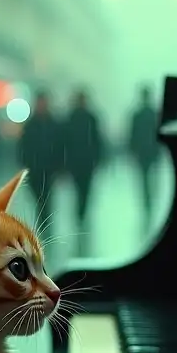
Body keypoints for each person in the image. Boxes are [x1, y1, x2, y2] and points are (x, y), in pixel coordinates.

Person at [62, 89, 104, 249]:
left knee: (85, 190)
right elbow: (64, 142)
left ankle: (81, 213)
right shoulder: (72, 118)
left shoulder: (90, 118)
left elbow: (97, 140)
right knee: (80, 189)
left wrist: (98, 158)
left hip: (86, 162)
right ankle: (80, 214)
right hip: (78, 163)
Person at [16, 91, 63, 224]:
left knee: (47, 195)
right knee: (38, 194)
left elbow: (60, 145)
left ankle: (45, 218)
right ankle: (43, 215)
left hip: (49, 168)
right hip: (34, 167)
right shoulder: (30, 125)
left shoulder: (53, 124)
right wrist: (24, 163)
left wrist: (60, 165)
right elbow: (23, 146)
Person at [128, 84, 161, 219]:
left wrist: (133, 150)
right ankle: (150, 199)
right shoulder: (155, 114)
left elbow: (133, 135)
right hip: (151, 150)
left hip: (142, 151)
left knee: (144, 177)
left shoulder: (137, 114)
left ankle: (147, 199)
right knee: (152, 176)